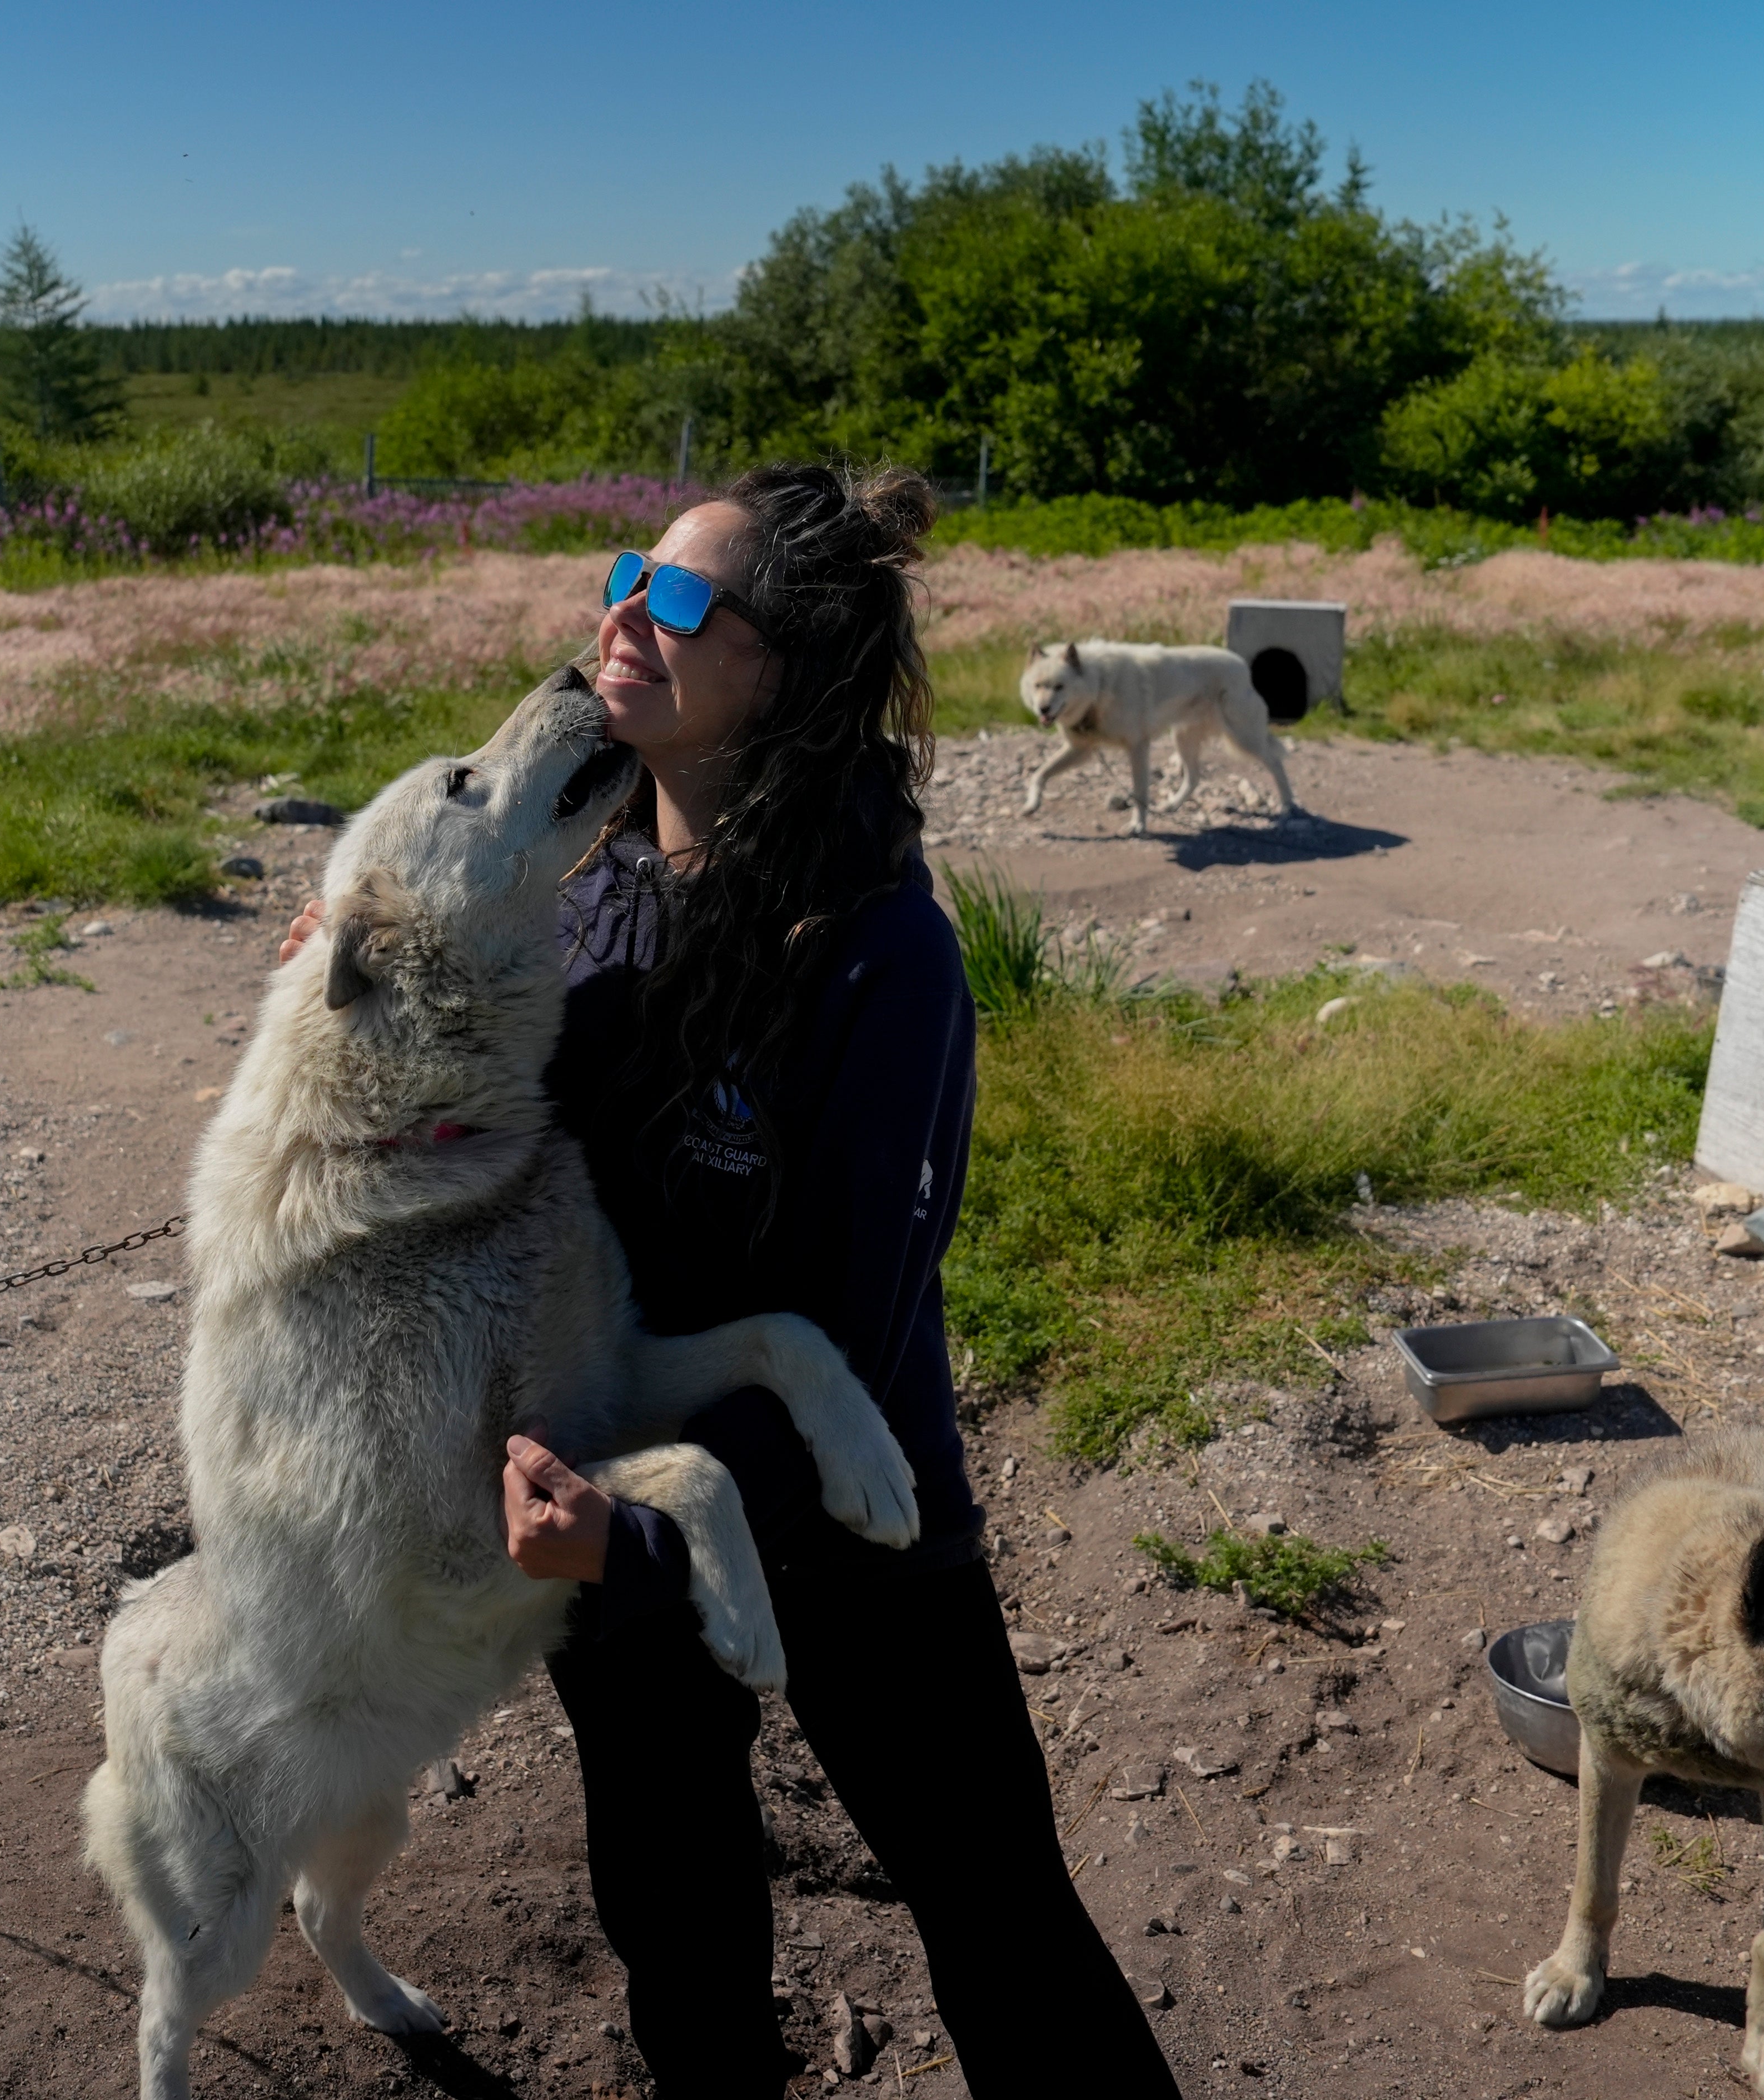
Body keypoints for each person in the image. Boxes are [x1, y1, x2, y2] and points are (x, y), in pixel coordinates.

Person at [281, 464, 1179, 2098]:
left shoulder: (875, 951)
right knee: (678, 1927)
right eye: (629, 569)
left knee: (994, 1911)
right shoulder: (578, 876)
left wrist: (634, 1531)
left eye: (683, 597)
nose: (624, 610)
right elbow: (453, 1128)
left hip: (849, 1524)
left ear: (787, 670)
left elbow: (855, 1322)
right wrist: (358, 998)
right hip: (607, 1499)